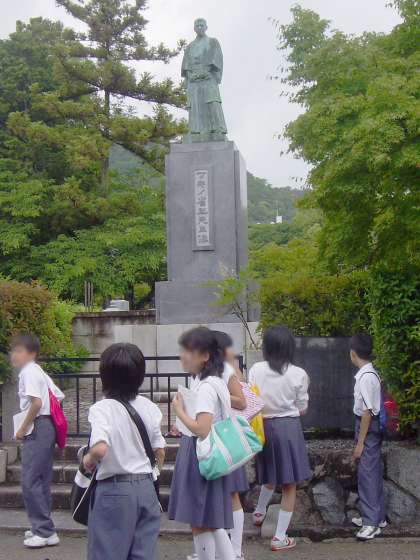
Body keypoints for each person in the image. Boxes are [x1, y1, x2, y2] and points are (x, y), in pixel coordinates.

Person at [83, 343, 165, 560]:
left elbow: (100, 448)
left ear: (105, 376)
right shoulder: (150, 407)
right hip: (146, 488)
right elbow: (159, 451)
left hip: (114, 490)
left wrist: (87, 460)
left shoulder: (102, 408)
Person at [169, 327, 236, 560]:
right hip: (208, 453)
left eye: (189, 351)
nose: (183, 356)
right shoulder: (211, 381)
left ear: (205, 356)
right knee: (209, 519)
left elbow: (202, 429)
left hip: (200, 454)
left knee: (201, 519)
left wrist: (179, 411)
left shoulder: (206, 386)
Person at [249, 326, 311, 552]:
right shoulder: (298, 374)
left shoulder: (256, 369)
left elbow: (252, 398)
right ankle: (279, 537)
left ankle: (259, 512)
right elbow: (302, 407)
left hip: (263, 427)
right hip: (288, 429)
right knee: (289, 484)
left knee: (269, 474)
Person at [11, 333, 64, 549]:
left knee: (30, 480)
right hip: (46, 426)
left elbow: (36, 403)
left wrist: (23, 428)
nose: (14, 355)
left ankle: (44, 530)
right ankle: (43, 529)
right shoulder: (38, 370)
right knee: (40, 480)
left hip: (38, 426)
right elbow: (58, 395)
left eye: (19, 350)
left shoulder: (28, 372)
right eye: (13, 350)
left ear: (31, 353)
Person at [213, 331, 247, 560]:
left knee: (232, 494)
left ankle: (235, 550)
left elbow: (241, 401)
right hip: (209, 435)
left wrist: (218, 393)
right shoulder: (203, 371)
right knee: (214, 495)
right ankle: (215, 550)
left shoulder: (226, 370)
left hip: (225, 436)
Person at [350, 333, 386, 541]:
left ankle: (370, 523)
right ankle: (377, 517)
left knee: (367, 475)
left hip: (367, 428)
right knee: (372, 472)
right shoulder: (371, 373)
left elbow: (367, 412)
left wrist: (360, 443)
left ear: (353, 353)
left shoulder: (365, 377)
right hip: (371, 428)